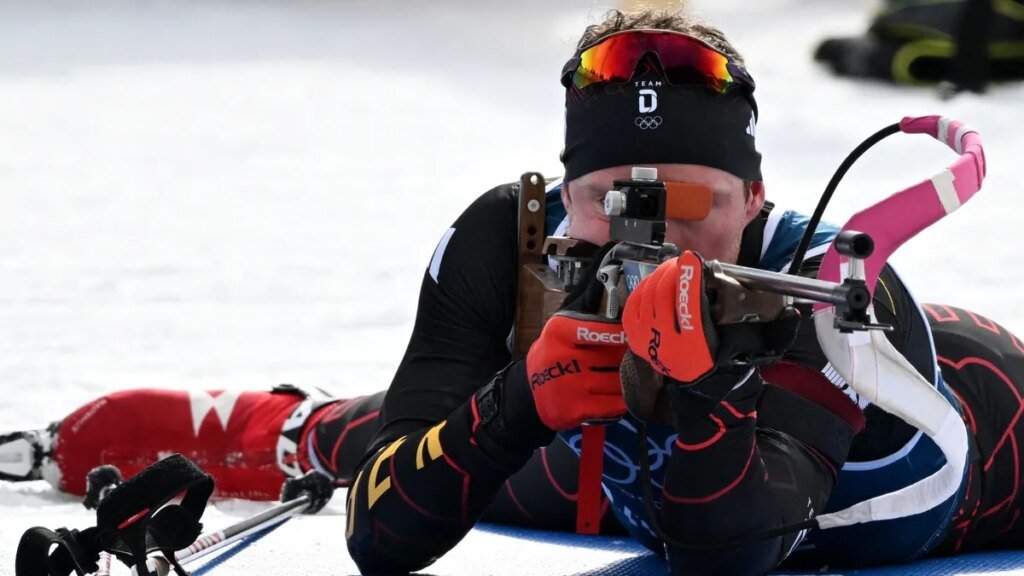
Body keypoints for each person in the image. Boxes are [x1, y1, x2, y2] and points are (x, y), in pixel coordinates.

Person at [4, 8, 1024, 576]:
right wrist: (510, 409)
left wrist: (704, 394)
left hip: (929, 471)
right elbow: (384, 533)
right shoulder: (514, 233)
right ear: (566, 193)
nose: (654, 234)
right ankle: (257, 427)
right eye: (613, 200)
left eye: (695, 202)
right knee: (372, 443)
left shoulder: (823, 291)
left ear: (759, 197)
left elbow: (732, 558)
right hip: (608, 480)